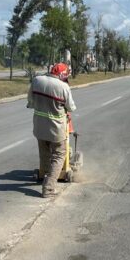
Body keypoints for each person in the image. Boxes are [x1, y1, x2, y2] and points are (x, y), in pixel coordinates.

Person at [27, 62, 77, 198]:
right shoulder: (63, 87)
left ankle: (44, 174)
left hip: (39, 126)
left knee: (44, 153)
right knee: (59, 154)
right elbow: (71, 107)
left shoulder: (37, 80)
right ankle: (48, 189)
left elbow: (30, 102)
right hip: (56, 128)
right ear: (62, 75)